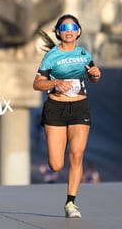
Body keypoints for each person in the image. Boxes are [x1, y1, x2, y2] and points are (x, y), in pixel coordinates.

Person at [33, 14, 101, 218]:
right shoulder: (51, 56)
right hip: (56, 108)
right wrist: (55, 83)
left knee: (77, 154)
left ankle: (71, 203)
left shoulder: (84, 54)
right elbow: (37, 84)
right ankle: (54, 160)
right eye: (65, 28)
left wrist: (95, 75)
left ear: (78, 31)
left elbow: (93, 76)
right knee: (56, 165)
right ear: (58, 32)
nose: (69, 31)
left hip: (79, 108)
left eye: (73, 27)